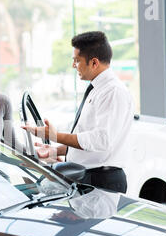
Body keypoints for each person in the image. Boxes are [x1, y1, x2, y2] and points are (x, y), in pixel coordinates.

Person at [22, 31, 134, 193]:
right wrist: (55, 150)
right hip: (88, 176)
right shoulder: (98, 89)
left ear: (94, 62)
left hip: (101, 180)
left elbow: (101, 140)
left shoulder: (112, 92)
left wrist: (54, 135)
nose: (74, 65)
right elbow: (87, 139)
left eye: (77, 61)